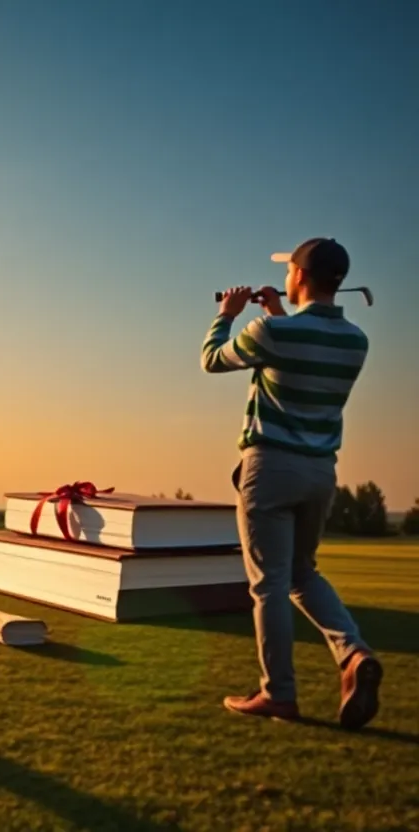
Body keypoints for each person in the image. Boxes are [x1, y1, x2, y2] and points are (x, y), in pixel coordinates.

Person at [202, 237, 382, 730]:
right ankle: (353, 653)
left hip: (271, 468)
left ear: (299, 275)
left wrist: (227, 313)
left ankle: (278, 694)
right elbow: (298, 350)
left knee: (270, 586)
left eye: (288, 271)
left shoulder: (269, 332)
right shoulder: (355, 340)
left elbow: (212, 358)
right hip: (320, 472)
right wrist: (279, 313)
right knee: (303, 573)